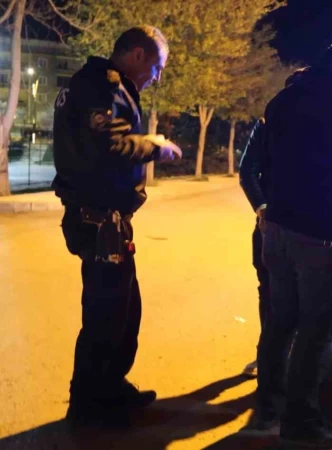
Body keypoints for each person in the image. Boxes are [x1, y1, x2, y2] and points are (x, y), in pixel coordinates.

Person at [252, 38, 332, 448]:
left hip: (277, 230)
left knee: (280, 321)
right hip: (323, 234)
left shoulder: (282, 99)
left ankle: (269, 403)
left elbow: (263, 163)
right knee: (318, 329)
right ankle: (302, 421)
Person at [52, 26, 182, 427]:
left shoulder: (102, 85)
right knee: (105, 316)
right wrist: (155, 146)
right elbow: (110, 144)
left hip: (106, 219)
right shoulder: (103, 86)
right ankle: (88, 405)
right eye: (156, 67)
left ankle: (109, 387)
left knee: (124, 311)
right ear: (138, 55)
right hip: (98, 220)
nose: (156, 77)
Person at [238, 67, 309, 378]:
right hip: (273, 225)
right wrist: (262, 208)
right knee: (269, 291)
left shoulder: (324, 127)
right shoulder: (267, 124)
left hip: (310, 226)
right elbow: (247, 171)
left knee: (300, 296)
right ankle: (269, 359)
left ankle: (290, 361)